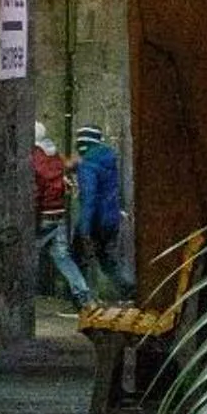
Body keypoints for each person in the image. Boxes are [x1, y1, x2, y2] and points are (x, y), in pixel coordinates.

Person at [32, 123, 91, 309]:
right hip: (59, 213)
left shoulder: (34, 158)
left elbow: (36, 190)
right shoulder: (55, 155)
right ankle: (84, 297)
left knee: (23, 255)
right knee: (62, 256)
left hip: (43, 215)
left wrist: (31, 216)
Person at [73, 125, 127, 296]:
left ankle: (81, 297)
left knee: (76, 257)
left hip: (95, 219)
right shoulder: (108, 158)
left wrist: (85, 229)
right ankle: (127, 289)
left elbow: (89, 198)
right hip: (111, 218)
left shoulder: (87, 164)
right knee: (105, 259)